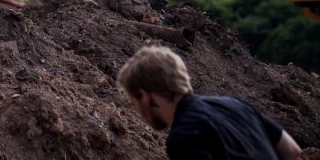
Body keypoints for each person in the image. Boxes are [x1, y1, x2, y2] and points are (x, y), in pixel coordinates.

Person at [117, 45, 303, 160]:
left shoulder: (184, 136)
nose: (139, 114)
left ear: (145, 95)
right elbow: (292, 150)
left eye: (134, 104)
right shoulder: (234, 104)